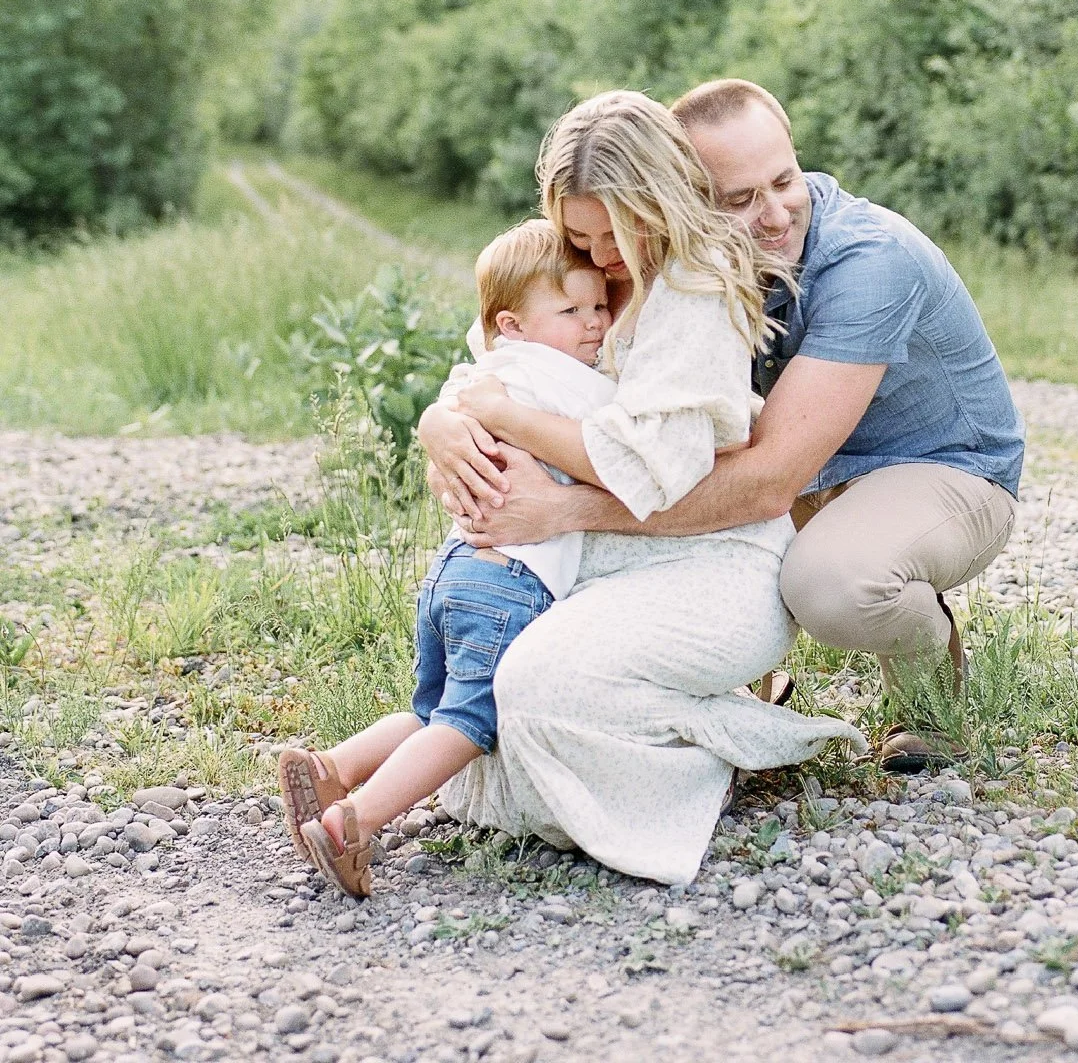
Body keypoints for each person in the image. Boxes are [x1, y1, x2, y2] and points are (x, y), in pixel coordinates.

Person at [426, 79, 1022, 773]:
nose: (772, 215)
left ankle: (928, 682)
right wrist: (441, 421)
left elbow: (767, 484)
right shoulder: (648, 254)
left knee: (831, 584)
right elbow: (512, 355)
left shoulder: (870, 263)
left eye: (784, 180)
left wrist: (562, 510)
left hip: (941, 468)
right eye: (739, 199)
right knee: (709, 554)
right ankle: (714, 691)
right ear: (684, 196)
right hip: (805, 465)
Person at [425, 90, 864, 885]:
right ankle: (655, 737)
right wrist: (442, 422)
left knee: (533, 686)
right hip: (597, 562)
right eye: (579, 234)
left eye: (612, 232)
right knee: (490, 690)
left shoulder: (697, 291)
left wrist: (506, 421)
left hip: (714, 561)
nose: (596, 256)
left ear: (657, 200)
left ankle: (720, 746)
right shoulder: (579, 269)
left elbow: (645, 467)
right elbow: (496, 362)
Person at [276, 219, 617, 898]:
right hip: (508, 586)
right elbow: (621, 442)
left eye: (601, 307)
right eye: (572, 310)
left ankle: (333, 766)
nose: (594, 326)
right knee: (468, 723)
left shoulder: (483, 370)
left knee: (430, 711)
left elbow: (455, 396)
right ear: (514, 325)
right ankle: (354, 821)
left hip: (453, 572)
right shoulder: (564, 381)